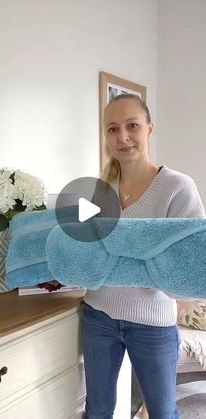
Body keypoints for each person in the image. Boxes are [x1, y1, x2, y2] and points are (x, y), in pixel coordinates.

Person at [82, 93, 205, 419]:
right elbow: (88, 254)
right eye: (112, 129)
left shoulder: (177, 188)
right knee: (97, 412)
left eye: (132, 125)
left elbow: (191, 269)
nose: (122, 137)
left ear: (149, 129)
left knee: (163, 412)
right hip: (98, 316)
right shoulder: (99, 190)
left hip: (153, 322)